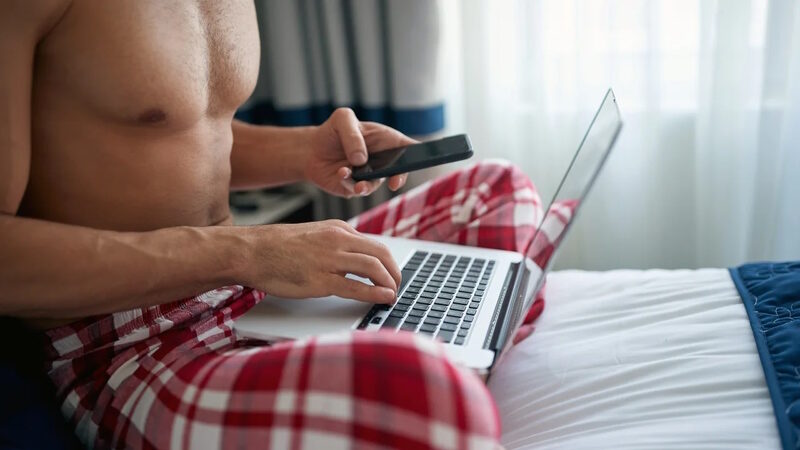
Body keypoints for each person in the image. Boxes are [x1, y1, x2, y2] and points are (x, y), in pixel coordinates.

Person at [0, 1, 543, 448]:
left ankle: (431, 344)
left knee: (495, 190)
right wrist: (245, 253)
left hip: (247, 293)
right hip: (131, 344)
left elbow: (182, 125)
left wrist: (306, 150)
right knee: (434, 394)